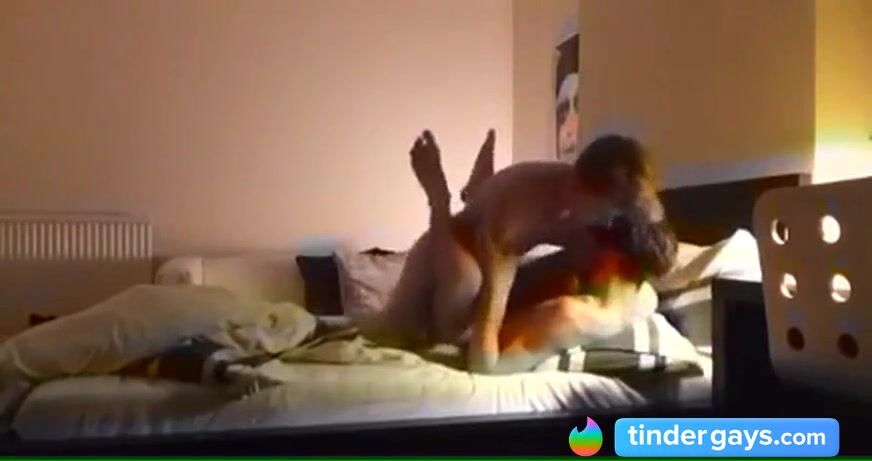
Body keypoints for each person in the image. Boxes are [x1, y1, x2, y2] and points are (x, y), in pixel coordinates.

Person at [359, 131, 676, 374]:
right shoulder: (522, 213)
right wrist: (441, 205)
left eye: (617, 212)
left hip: (494, 234)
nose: (609, 220)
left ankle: (476, 190)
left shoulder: (610, 213)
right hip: (448, 246)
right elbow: (483, 349)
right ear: (577, 189)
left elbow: (655, 238)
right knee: (443, 315)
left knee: (538, 273)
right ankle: (442, 198)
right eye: (607, 211)